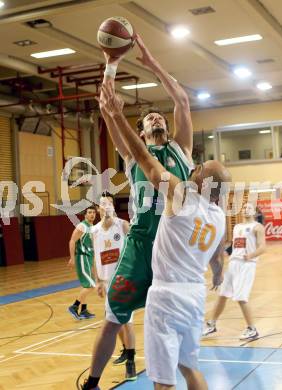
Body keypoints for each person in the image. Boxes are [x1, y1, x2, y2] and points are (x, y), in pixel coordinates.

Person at [98, 82, 231, 390]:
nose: (194, 169)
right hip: (194, 292)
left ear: (198, 179)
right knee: (190, 369)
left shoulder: (181, 193)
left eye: (198, 170)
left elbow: (148, 162)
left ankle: (123, 357)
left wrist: (114, 113)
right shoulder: (219, 216)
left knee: (163, 379)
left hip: (167, 290)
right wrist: (218, 268)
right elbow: (217, 255)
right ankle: (115, 360)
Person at [81, 34, 193, 390]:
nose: (156, 116)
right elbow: (107, 108)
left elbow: (182, 100)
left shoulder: (182, 149)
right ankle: (93, 383)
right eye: (147, 119)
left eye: (158, 115)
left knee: (176, 327)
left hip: (174, 250)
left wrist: (152, 63)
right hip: (142, 247)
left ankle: (173, 379)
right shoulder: (131, 156)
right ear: (141, 135)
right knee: (113, 318)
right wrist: (111, 64)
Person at [202, 202, 266, 340]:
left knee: (241, 297)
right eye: (244, 207)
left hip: (247, 264)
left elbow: (262, 248)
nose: (246, 209)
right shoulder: (237, 227)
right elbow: (234, 246)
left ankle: (252, 329)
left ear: (255, 213)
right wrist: (223, 253)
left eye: (249, 207)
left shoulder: (257, 227)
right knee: (223, 294)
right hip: (233, 263)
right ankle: (211, 324)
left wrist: (250, 255)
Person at [92, 194, 136, 367]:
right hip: (107, 282)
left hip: (124, 280)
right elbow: (96, 257)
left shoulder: (123, 225)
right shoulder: (94, 231)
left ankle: (131, 362)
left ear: (113, 207)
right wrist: (98, 281)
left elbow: (135, 250)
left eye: (109, 203)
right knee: (112, 320)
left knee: (127, 321)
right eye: (103, 204)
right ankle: (126, 349)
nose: (106, 206)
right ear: (98, 209)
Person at [68, 205, 97, 320]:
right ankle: (74, 306)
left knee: (87, 285)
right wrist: (72, 258)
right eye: (89, 212)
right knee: (91, 285)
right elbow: (72, 241)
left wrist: (94, 262)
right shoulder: (82, 226)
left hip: (88, 258)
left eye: (94, 213)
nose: (92, 214)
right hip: (82, 257)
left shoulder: (92, 227)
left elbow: (92, 246)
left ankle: (84, 310)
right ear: (85, 215)